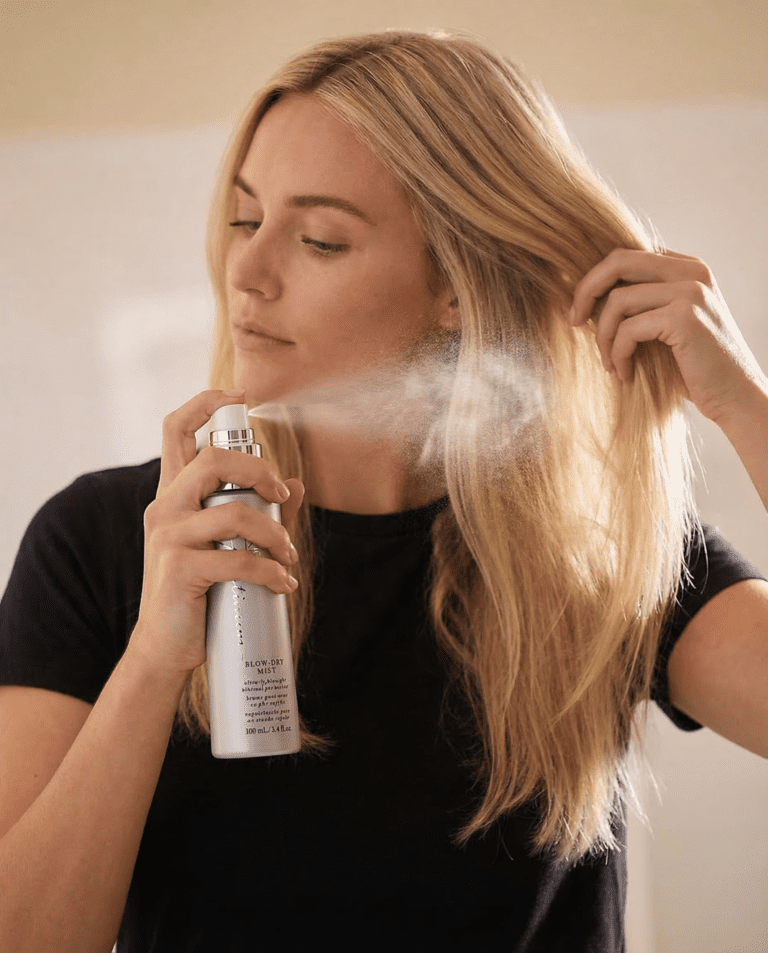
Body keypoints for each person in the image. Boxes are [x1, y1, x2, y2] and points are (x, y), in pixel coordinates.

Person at [0, 29, 766, 953]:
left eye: (320, 238)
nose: (248, 269)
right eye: (246, 219)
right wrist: (152, 664)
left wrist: (748, 408)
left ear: (457, 284)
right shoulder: (103, 544)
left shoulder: (599, 554)